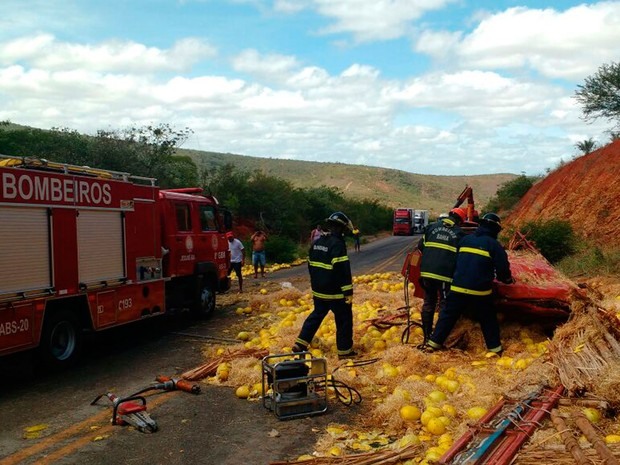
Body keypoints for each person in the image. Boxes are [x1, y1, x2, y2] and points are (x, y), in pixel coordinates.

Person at [424, 213, 514, 355]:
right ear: (496, 229)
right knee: (488, 319)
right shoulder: (495, 246)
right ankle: (495, 349)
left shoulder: (465, 240)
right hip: (480, 292)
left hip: (457, 287)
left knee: (448, 316)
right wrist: (508, 280)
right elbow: (503, 270)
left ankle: (433, 344)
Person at [292, 212, 357, 359]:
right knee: (344, 319)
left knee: (316, 315)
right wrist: (348, 292)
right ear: (341, 228)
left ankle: (300, 343)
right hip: (335, 292)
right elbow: (342, 270)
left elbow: (311, 266)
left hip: (319, 291)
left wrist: (317, 283)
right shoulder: (338, 244)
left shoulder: (318, 242)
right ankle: (345, 351)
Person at [416, 208, 466, 348]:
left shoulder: (431, 228)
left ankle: (427, 337)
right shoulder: (459, 234)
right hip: (444, 275)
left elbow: (420, 247)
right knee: (445, 305)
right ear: (459, 221)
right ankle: (438, 338)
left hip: (426, 273)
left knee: (429, 302)